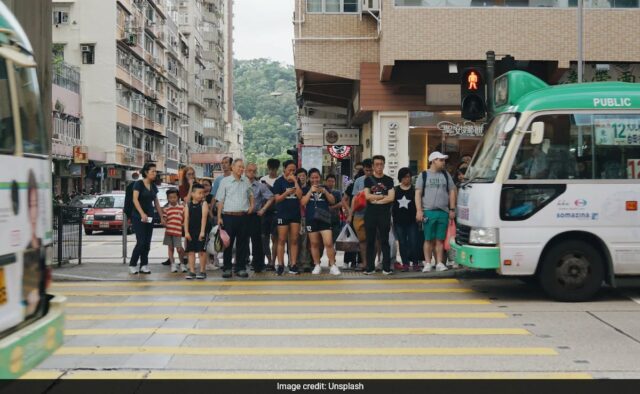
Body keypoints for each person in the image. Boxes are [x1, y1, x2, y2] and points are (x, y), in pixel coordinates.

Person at [416, 151, 457, 273]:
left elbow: (452, 191)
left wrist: (452, 209)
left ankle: (439, 262)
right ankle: (428, 263)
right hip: (428, 211)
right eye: (441, 160)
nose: (443, 162)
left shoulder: (446, 175)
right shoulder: (423, 175)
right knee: (428, 239)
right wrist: (419, 210)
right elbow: (418, 193)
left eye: (444, 160)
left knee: (440, 239)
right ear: (433, 160)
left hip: (443, 211)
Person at [216, 159, 254, 279]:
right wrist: (219, 217)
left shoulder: (246, 180)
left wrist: (252, 206)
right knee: (227, 244)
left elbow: (251, 194)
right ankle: (227, 268)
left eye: (243, 167)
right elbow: (220, 200)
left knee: (242, 244)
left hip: (243, 216)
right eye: (239, 167)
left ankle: (240, 268)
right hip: (228, 217)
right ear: (232, 167)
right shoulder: (225, 181)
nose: (241, 169)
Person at [301, 168, 341, 276]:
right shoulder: (305, 189)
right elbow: (303, 202)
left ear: (320, 178)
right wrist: (310, 191)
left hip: (324, 218)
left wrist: (325, 192)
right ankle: (317, 265)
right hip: (311, 218)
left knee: (328, 243)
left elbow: (332, 201)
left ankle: (333, 265)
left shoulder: (325, 188)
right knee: (314, 244)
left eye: (317, 177)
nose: (315, 180)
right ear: (309, 178)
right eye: (313, 177)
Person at [129, 162, 165, 274]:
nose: (155, 174)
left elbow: (157, 203)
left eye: (155, 171)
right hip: (138, 216)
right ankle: (133, 264)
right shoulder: (138, 184)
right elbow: (135, 200)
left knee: (147, 243)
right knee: (141, 241)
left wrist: (161, 217)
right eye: (152, 171)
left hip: (150, 216)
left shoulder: (153, 186)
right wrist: (142, 214)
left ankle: (144, 265)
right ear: (146, 172)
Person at [363, 155, 395, 275]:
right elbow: (367, 196)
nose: (379, 167)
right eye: (376, 164)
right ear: (373, 166)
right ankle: (370, 267)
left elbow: (391, 197)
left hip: (384, 213)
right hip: (370, 213)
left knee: (384, 240)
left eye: (381, 164)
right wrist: (382, 196)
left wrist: (376, 200)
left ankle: (386, 268)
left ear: (384, 165)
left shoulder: (389, 180)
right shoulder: (368, 180)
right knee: (370, 241)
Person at [272, 160, 303, 276]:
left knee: (294, 239)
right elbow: (277, 199)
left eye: (294, 170)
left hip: (295, 214)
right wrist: (286, 194)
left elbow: (300, 196)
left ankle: (293, 264)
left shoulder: (297, 181)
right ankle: (280, 265)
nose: (291, 171)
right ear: (284, 169)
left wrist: (295, 181)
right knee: (281, 239)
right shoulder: (279, 182)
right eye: (289, 169)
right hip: (282, 213)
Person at [246, 162, 274, 273]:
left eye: (254, 171)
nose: (251, 173)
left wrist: (263, 209)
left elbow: (271, 197)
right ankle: (241, 263)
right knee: (241, 240)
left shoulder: (260, 186)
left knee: (257, 241)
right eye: (249, 170)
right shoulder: (240, 184)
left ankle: (258, 264)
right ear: (245, 171)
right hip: (241, 215)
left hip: (254, 215)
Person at [347, 159, 373, 271]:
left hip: (373, 214)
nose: (369, 172)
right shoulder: (358, 181)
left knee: (374, 240)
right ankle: (365, 263)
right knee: (362, 240)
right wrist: (350, 214)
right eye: (367, 170)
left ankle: (372, 262)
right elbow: (353, 198)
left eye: (370, 170)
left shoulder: (379, 180)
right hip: (359, 214)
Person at [392, 168, 420, 272]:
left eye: (408, 177)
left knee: (414, 242)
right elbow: (392, 206)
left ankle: (416, 263)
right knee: (402, 243)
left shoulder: (414, 190)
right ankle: (405, 264)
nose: (406, 179)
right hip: (398, 221)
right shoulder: (395, 190)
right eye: (404, 177)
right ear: (400, 178)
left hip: (412, 221)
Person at [184, 183, 209, 279]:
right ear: (193, 194)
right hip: (191, 231)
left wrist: (202, 232)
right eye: (199, 193)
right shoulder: (188, 204)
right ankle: (192, 271)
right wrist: (186, 232)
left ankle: (202, 271)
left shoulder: (204, 204)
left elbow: (204, 218)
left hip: (201, 231)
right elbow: (186, 218)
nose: (201, 195)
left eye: (203, 193)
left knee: (201, 251)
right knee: (191, 251)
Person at [259, 158, 280, 271]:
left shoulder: (280, 180)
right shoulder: (262, 179)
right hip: (264, 212)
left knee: (275, 238)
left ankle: (272, 262)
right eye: (270, 169)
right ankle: (268, 258)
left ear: (278, 168)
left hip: (276, 212)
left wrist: (269, 187)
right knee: (264, 237)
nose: (272, 171)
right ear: (268, 167)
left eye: (274, 169)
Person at [342, 169, 364, 269]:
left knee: (359, 239)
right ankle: (348, 261)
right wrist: (349, 210)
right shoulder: (352, 186)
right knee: (352, 239)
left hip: (359, 215)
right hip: (354, 215)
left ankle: (358, 261)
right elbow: (344, 199)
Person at [163, 188, 186, 273]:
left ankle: (182, 263)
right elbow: (165, 220)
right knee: (170, 248)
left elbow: (184, 219)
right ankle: (173, 264)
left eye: (174, 197)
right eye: (170, 197)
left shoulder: (181, 208)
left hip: (178, 232)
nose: (172, 199)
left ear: (178, 198)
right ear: (168, 198)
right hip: (169, 232)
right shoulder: (166, 209)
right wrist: (164, 222)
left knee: (179, 249)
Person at [295, 168, 312, 272]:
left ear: (307, 177)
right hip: (295, 217)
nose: (302, 177)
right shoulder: (293, 188)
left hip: (306, 217)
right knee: (294, 240)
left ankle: (306, 262)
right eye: (300, 175)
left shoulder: (310, 188)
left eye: (303, 175)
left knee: (306, 241)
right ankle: (294, 262)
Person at [324, 174, 343, 243]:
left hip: (335, 218)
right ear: (325, 182)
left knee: (335, 238)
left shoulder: (337, 192)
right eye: (329, 181)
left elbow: (341, 203)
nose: (330, 183)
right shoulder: (322, 191)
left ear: (335, 182)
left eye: (332, 181)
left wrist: (332, 207)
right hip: (324, 217)